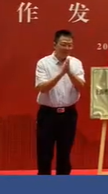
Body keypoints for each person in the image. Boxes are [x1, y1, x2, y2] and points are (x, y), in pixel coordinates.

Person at [34, 29, 85, 175]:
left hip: (68, 115)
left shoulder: (76, 63)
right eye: (63, 44)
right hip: (48, 115)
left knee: (65, 153)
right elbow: (42, 88)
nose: (67, 48)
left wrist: (69, 73)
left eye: (70, 45)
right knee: (44, 154)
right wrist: (61, 74)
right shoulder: (43, 63)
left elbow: (81, 85)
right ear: (54, 44)